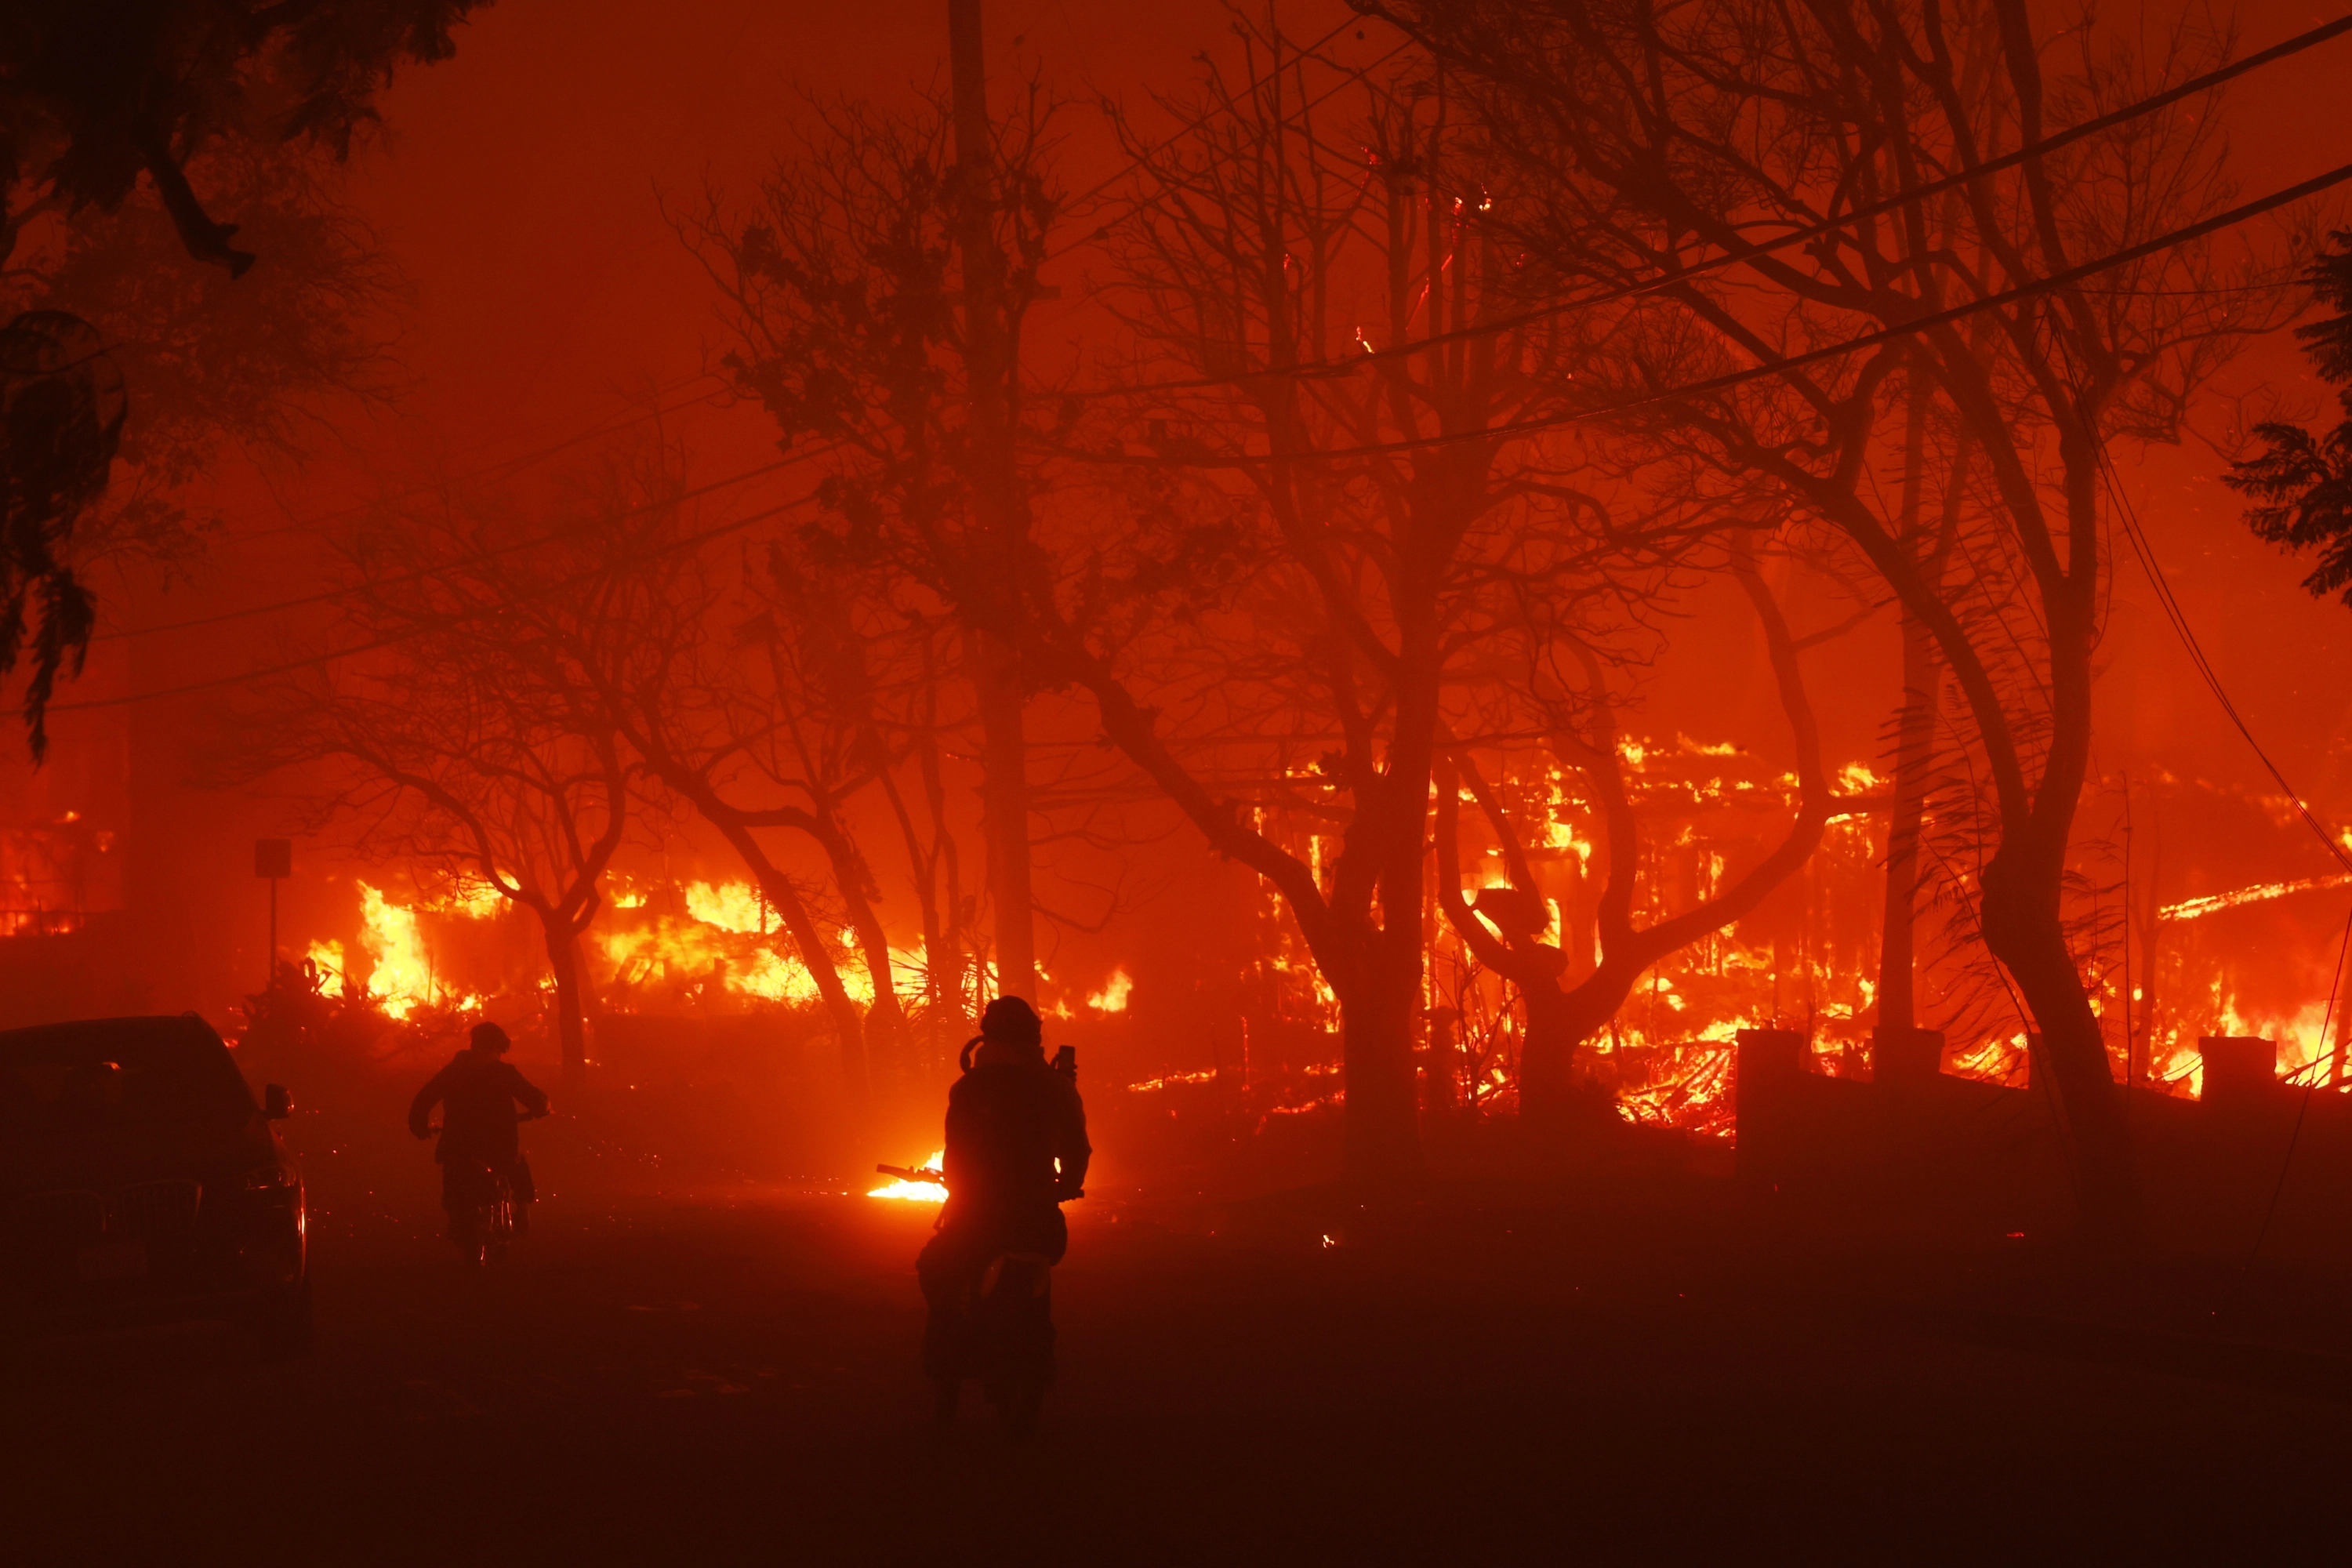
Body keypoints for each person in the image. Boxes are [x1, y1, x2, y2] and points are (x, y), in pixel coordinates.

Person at [917, 996, 1091, 1424]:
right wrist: (1067, 1186)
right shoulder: (1056, 1088)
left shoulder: (967, 1088)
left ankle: (949, 1356)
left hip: (975, 1214)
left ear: (987, 1036)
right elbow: (1077, 1149)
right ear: (1032, 1038)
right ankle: (1037, 1357)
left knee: (936, 1265)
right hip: (1036, 1217)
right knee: (1040, 1266)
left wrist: (961, 1190)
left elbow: (955, 1154)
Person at [408, 1022, 549, 1247]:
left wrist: (419, 1126)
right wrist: (543, 1107)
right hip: (499, 1142)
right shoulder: (504, 1073)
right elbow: (533, 1098)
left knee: (452, 1172)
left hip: (457, 1142)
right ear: (498, 1047)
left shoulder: (454, 1072)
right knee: (516, 1164)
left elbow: (424, 1099)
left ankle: (455, 1217)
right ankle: (523, 1209)